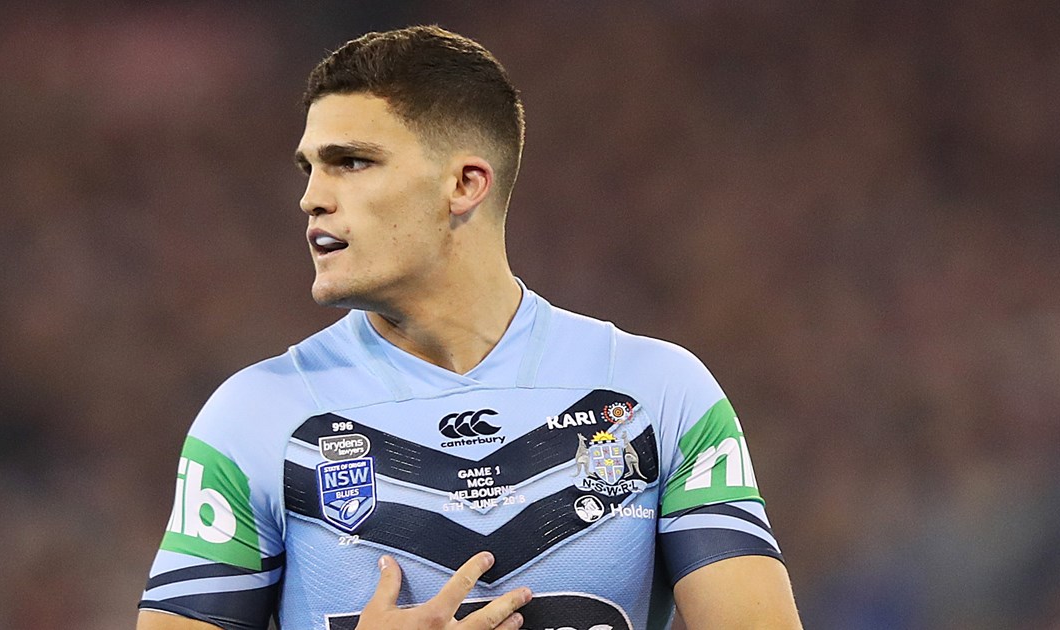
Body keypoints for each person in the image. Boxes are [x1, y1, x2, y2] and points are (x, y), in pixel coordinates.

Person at [136, 26, 800, 630]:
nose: (312, 197)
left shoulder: (658, 394)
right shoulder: (254, 416)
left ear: (465, 184)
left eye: (352, 162)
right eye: (310, 169)